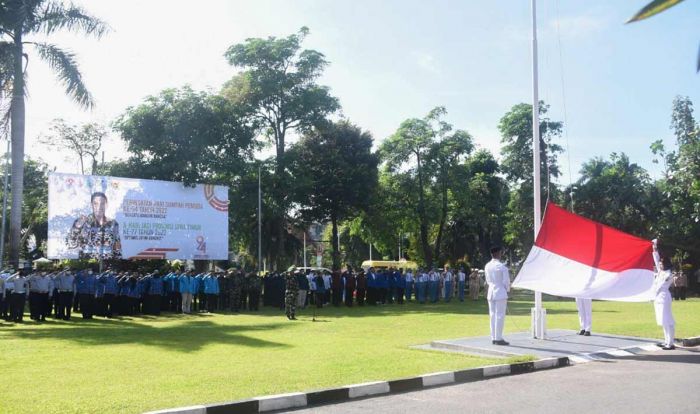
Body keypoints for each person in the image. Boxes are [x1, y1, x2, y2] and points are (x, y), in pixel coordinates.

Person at [66, 192, 122, 259]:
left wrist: (117, 262)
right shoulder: (82, 222)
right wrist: (77, 228)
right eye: (95, 204)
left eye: (102, 203)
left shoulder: (113, 223)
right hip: (87, 263)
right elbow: (71, 245)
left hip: (107, 263)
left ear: (106, 205)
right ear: (91, 205)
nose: (99, 207)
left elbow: (117, 247)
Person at [652, 240, 676, 350]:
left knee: (668, 320)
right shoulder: (662, 271)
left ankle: (670, 343)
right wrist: (655, 247)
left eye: (662, 264)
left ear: (666, 264)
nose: (660, 265)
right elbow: (656, 259)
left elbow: (664, 282)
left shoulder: (669, 274)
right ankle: (666, 341)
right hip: (658, 298)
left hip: (664, 296)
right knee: (663, 320)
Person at [485, 246, 510, 345]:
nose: (501, 254)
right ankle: (498, 338)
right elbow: (506, 282)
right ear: (498, 254)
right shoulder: (502, 267)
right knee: (499, 315)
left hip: (491, 291)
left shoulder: (487, 266)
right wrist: (507, 290)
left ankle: (494, 337)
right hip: (500, 291)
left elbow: (488, 280)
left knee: (492, 315)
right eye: (500, 253)